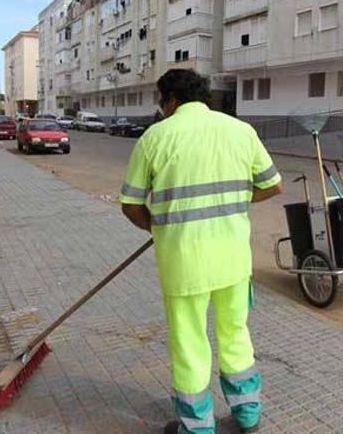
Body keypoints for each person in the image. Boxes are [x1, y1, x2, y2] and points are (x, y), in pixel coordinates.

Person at [119, 69, 283, 434]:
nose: (160, 108)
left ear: (172, 99)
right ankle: (248, 414)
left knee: (190, 343)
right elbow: (272, 185)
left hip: (184, 262)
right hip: (233, 262)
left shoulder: (155, 138)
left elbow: (130, 204)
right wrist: (233, 201)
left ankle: (197, 427)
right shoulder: (240, 131)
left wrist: (160, 226)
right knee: (235, 334)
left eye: (161, 100)